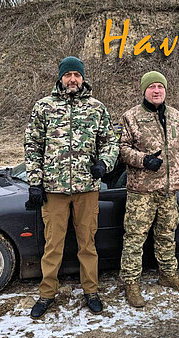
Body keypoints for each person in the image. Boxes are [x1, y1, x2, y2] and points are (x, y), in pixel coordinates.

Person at [24, 56, 119, 319]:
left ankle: (91, 291)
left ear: (83, 78)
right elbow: (32, 146)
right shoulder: (44, 107)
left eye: (77, 75)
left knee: (87, 243)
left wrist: (104, 163)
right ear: (61, 78)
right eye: (69, 75)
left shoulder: (96, 108)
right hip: (53, 190)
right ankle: (46, 294)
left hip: (87, 188)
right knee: (53, 244)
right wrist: (35, 182)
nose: (73, 79)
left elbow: (111, 142)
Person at [119, 71, 179, 307]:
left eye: (160, 87)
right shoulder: (131, 117)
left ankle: (168, 275)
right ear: (144, 90)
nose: (156, 91)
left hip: (169, 191)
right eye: (151, 87)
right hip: (142, 192)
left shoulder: (176, 116)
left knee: (166, 235)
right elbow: (121, 149)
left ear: (165, 90)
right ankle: (131, 283)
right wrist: (143, 160)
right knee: (134, 238)